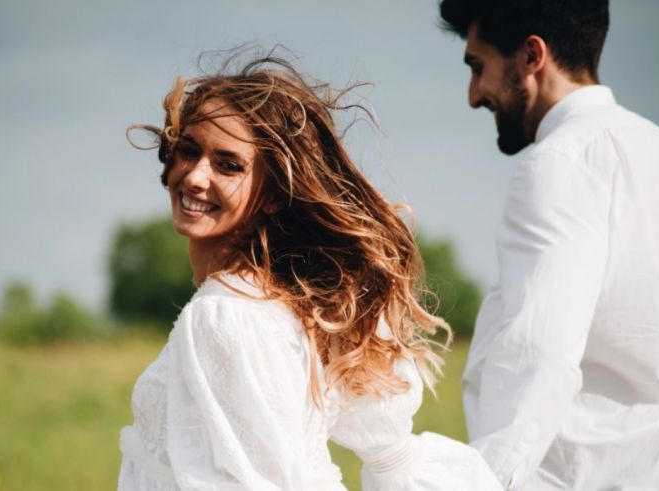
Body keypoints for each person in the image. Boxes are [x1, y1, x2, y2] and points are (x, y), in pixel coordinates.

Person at [117, 51, 502, 490]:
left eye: (228, 164)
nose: (195, 176)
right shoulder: (286, 304)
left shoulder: (227, 316)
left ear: (276, 193)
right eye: (189, 150)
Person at [438, 1, 659, 489]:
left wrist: (487, 482)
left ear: (531, 57)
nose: (475, 95)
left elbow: (537, 355)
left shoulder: (558, 162)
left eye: (479, 68)